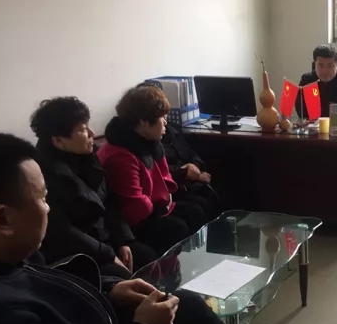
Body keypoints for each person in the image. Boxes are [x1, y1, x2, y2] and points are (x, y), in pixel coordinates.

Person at [0, 131, 327, 324]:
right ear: (3, 219)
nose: (48, 209)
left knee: (184, 304)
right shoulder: (1, 314)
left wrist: (108, 293)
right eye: (42, 199)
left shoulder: (9, 258)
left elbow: (50, 292)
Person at [30, 97, 158, 278]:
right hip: (77, 255)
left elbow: (110, 200)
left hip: (105, 242)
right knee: (122, 275)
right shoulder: (44, 175)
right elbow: (62, 231)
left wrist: (123, 240)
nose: (92, 133)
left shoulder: (88, 157)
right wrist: (108, 254)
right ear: (58, 140)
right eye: (83, 129)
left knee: (148, 258)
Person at [97, 84, 208, 255]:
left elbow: (165, 177)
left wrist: (165, 197)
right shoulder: (120, 155)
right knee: (178, 227)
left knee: (197, 209)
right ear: (143, 121)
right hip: (133, 221)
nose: (166, 122)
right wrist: (163, 200)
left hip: (155, 205)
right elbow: (135, 208)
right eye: (162, 117)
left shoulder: (148, 141)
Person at [161, 119, 220, 220]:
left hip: (192, 178)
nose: (164, 120)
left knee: (215, 193)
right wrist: (186, 172)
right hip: (175, 184)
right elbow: (161, 169)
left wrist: (195, 167)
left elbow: (190, 152)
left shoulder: (174, 129)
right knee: (197, 208)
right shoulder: (151, 139)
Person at [296, 44, 337, 119]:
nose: (325, 71)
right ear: (315, 64)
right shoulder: (306, 80)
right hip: (312, 125)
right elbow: (301, 112)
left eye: (330, 65)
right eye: (321, 66)